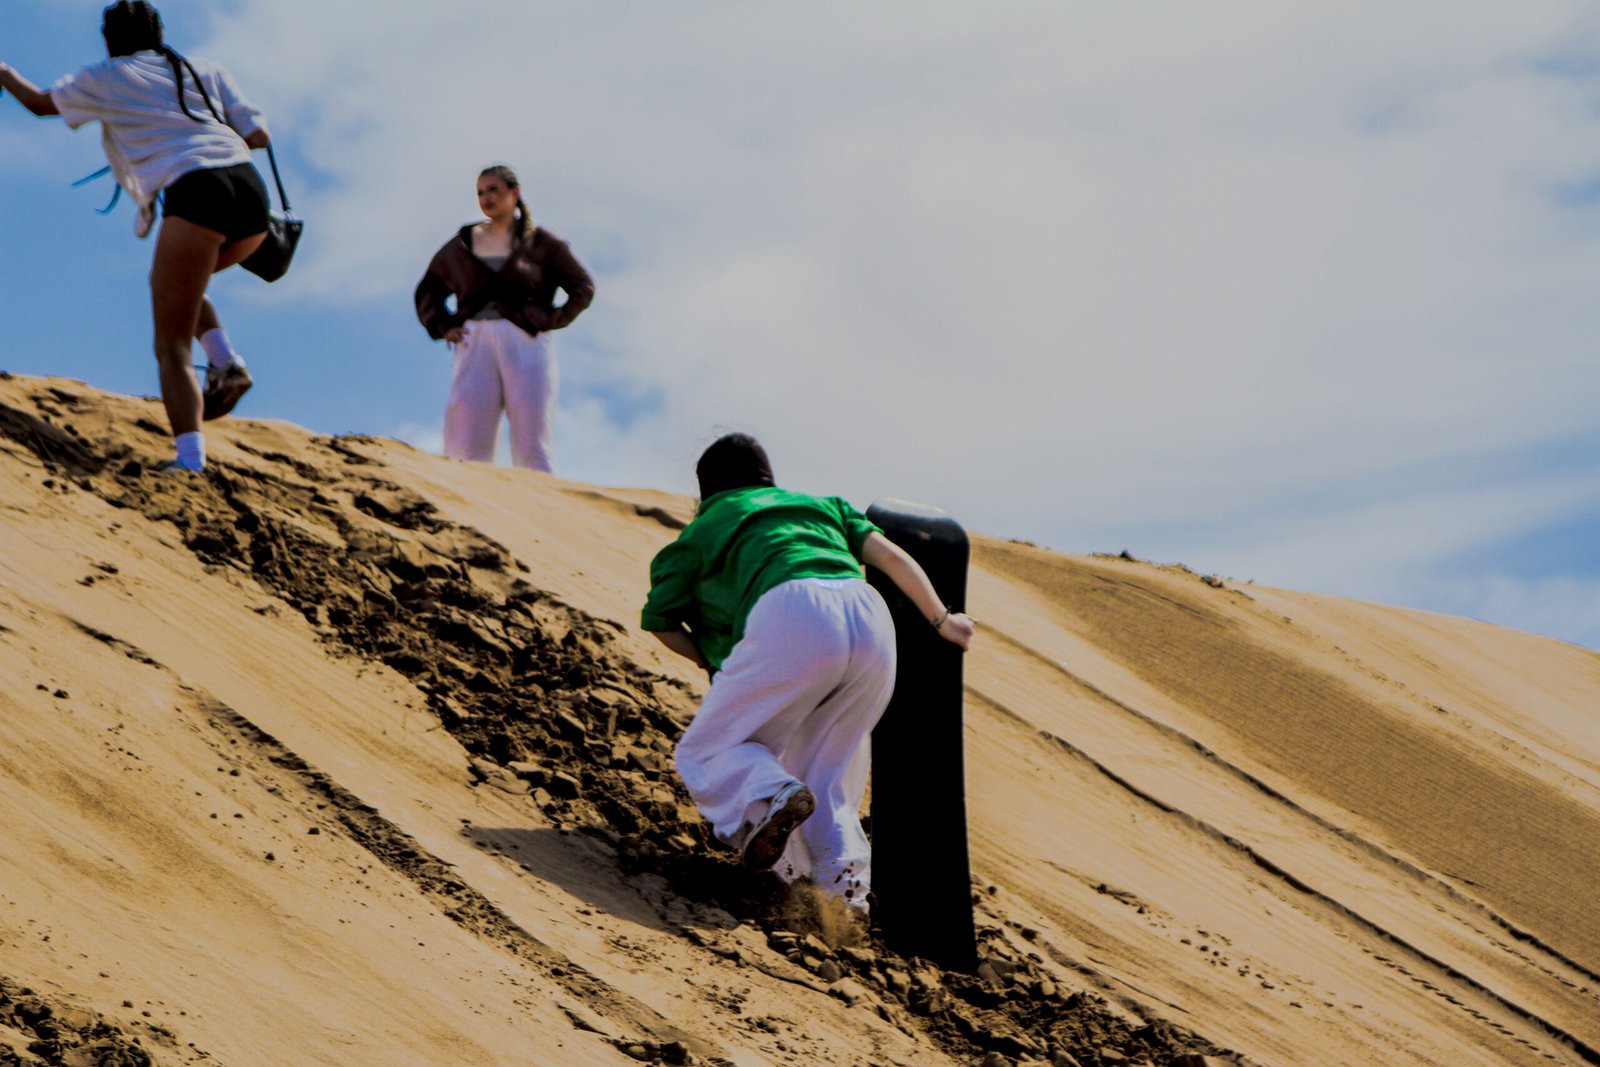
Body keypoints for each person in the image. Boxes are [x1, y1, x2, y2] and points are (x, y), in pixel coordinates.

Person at [641, 433, 977, 912]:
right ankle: (843, 901)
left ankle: (770, 793)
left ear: (706, 492)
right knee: (828, 777)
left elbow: (660, 621)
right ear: (768, 480)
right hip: (871, 621)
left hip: (791, 612)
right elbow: (892, 557)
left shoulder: (704, 526)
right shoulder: (822, 505)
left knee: (708, 749)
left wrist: (710, 662)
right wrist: (945, 620)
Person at [0, 1, 272, 472]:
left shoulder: (105, 75)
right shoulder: (202, 66)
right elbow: (259, 134)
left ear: (109, 39)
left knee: (171, 343)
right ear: (160, 33)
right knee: (180, 290)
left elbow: (42, 104)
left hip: (197, 192)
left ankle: (190, 459)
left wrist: (3, 71)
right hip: (250, 195)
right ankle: (226, 360)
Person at [414, 165, 594, 473]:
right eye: (480, 192)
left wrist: (549, 319)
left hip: (526, 339)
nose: (486, 198)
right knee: (466, 437)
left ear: (515, 193)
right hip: (474, 340)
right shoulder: (462, 244)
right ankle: (463, 506)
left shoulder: (542, 242)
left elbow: (582, 286)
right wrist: (445, 327)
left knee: (531, 438)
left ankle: (538, 508)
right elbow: (428, 290)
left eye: (494, 189)